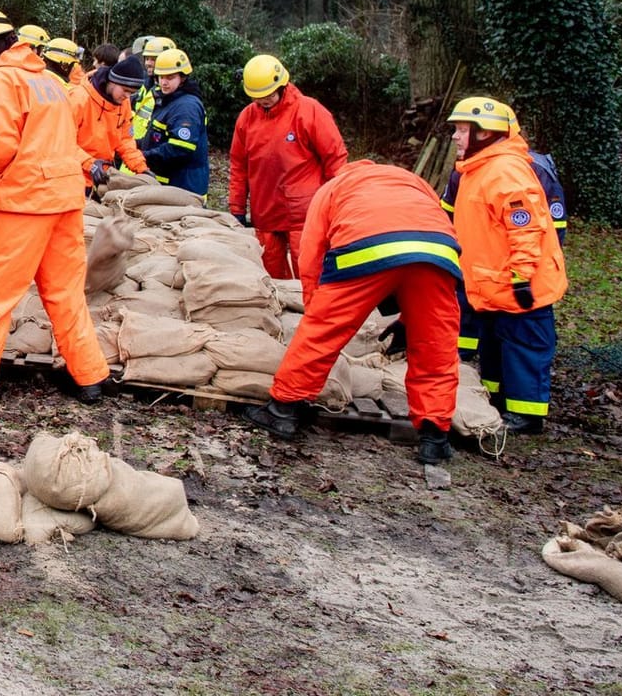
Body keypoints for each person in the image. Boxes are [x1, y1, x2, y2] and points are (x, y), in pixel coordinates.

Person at [241, 161, 461, 463]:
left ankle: (284, 410)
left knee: (324, 332)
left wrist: (315, 305)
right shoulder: (412, 181)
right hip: (437, 254)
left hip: (366, 248)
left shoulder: (333, 189)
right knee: (436, 344)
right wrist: (409, 320)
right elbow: (417, 231)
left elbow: (311, 254)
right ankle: (434, 436)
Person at [0, 15, 109, 403]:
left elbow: (2, 147)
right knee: (66, 293)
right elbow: (63, 143)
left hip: (24, 204)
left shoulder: (3, 80)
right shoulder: (46, 82)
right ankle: (89, 376)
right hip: (65, 202)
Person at [447, 97, 567, 435]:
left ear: (484, 134)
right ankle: (497, 402)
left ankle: (526, 415)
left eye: (461, 130)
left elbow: (525, 228)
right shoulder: (478, 169)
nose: (455, 137)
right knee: (495, 347)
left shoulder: (505, 171)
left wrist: (522, 278)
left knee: (524, 348)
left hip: (518, 287)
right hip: (494, 285)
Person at [228, 54, 347, 279]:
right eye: (258, 97)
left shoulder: (309, 111)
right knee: (271, 276)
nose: (264, 101)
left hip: (305, 213)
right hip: (265, 211)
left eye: (269, 95)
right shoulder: (247, 118)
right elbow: (239, 166)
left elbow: (335, 160)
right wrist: (237, 208)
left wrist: (338, 203)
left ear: (282, 85)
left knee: (310, 273)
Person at [68, 53, 151, 188]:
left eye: (132, 93)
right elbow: (63, 142)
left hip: (101, 177)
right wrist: (91, 164)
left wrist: (141, 168)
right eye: (125, 90)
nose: (127, 96)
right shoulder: (79, 99)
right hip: (73, 176)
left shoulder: (122, 103)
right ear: (112, 81)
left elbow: (125, 140)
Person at [141, 48, 209, 195]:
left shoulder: (186, 106)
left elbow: (180, 148)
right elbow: (155, 137)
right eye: (161, 77)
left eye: (170, 77)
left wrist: (143, 155)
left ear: (182, 78)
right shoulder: (168, 99)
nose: (164, 82)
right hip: (168, 183)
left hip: (183, 186)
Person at [129, 36, 175, 140]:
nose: (148, 63)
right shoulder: (145, 85)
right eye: (147, 58)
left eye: (153, 59)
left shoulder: (170, 93)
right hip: (135, 146)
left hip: (152, 151)